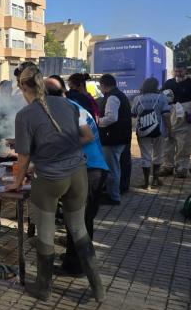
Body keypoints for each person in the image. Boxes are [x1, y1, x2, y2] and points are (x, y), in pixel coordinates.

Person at [9, 63, 104, 302]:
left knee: (46, 233)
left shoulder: (25, 114)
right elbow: (83, 135)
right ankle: (98, 288)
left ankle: (44, 287)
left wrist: (17, 183)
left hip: (50, 179)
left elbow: (23, 157)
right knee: (79, 229)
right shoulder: (67, 103)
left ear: (23, 87)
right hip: (79, 173)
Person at [43, 76, 109, 278]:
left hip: (89, 170)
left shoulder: (68, 109)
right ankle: (76, 258)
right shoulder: (69, 106)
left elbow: (86, 137)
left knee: (79, 221)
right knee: (79, 220)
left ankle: (77, 267)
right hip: (88, 169)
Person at [160, 66, 191, 178]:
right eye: (176, 71)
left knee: (184, 144)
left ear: (185, 71)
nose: (178, 73)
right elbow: (162, 99)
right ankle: (167, 167)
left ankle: (181, 168)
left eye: (181, 70)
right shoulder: (168, 83)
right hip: (170, 115)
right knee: (168, 142)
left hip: (185, 117)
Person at [131, 78, 172, 189]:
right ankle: (155, 179)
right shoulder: (161, 97)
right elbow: (166, 115)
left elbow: (133, 114)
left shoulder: (137, 99)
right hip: (159, 130)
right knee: (158, 154)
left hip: (143, 131)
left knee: (145, 155)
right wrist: (170, 130)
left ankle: (145, 182)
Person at [97, 74, 132, 206]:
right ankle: (113, 193)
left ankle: (113, 196)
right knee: (115, 167)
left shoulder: (112, 97)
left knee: (112, 169)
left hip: (113, 138)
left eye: (100, 86)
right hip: (120, 137)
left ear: (104, 85)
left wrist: (96, 122)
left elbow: (111, 118)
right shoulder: (120, 95)